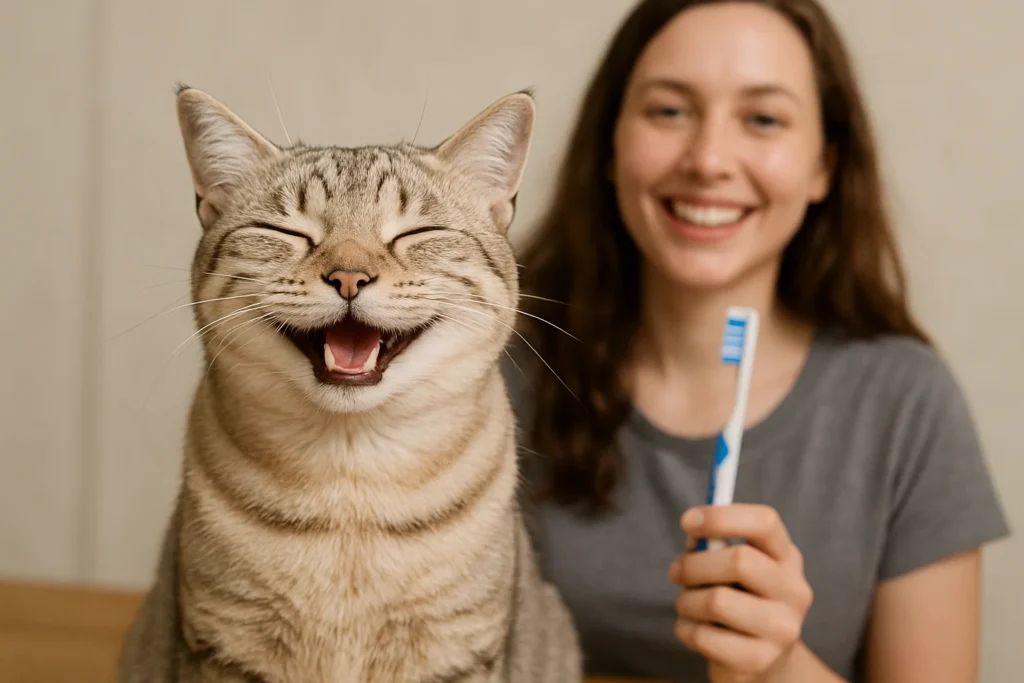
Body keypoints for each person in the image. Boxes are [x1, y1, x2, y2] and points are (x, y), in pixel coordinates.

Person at [503, 0, 1011, 681]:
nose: (709, 159)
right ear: (610, 145)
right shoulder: (497, 369)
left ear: (823, 166)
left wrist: (780, 665)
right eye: (669, 111)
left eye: (763, 119)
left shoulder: (906, 404)